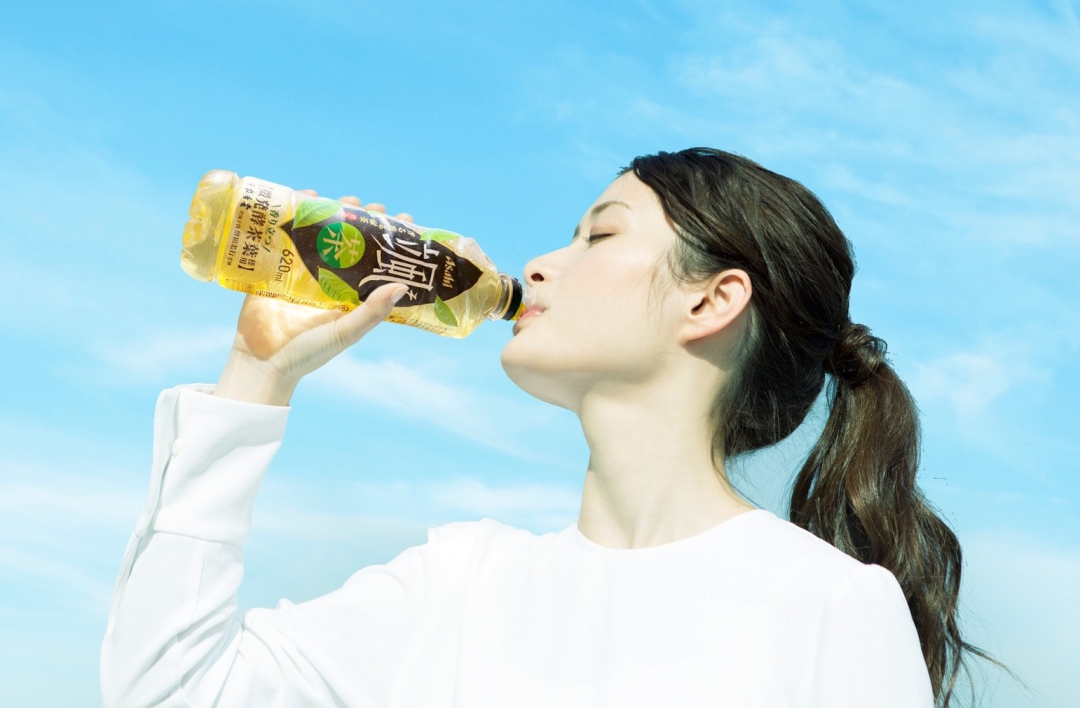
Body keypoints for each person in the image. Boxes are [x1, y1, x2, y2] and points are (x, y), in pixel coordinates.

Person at [101, 148, 1001, 707]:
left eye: (598, 237)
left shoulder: (829, 606)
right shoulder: (457, 581)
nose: (537, 264)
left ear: (710, 298)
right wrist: (256, 373)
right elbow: (168, 692)